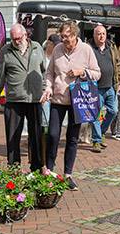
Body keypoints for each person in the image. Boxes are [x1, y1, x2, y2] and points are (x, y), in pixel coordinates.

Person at [42, 20, 100, 191]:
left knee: (72, 139)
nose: (63, 40)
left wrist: (82, 72)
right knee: (52, 135)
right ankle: (49, 172)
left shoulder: (86, 50)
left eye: (66, 37)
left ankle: (68, 174)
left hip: (78, 101)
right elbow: (50, 73)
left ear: (75, 35)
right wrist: (48, 89)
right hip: (58, 99)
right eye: (61, 36)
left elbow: (97, 73)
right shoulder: (58, 49)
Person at [0, 23, 46, 170]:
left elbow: (44, 71)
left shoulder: (37, 48)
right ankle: (14, 169)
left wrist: (45, 88)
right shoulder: (6, 50)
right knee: (12, 138)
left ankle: (36, 169)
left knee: (35, 136)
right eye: (13, 39)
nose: (16, 42)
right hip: (14, 100)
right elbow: (1, 75)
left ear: (25, 35)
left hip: (34, 98)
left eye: (18, 38)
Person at [88, 25, 120, 153]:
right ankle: (96, 141)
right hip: (95, 88)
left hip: (110, 86)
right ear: (94, 35)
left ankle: (101, 133)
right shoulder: (89, 48)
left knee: (113, 110)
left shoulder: (111, 47)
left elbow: (117, 64)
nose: (102, 36)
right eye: (99, 34)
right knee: (96, 115)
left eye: (103, 33)